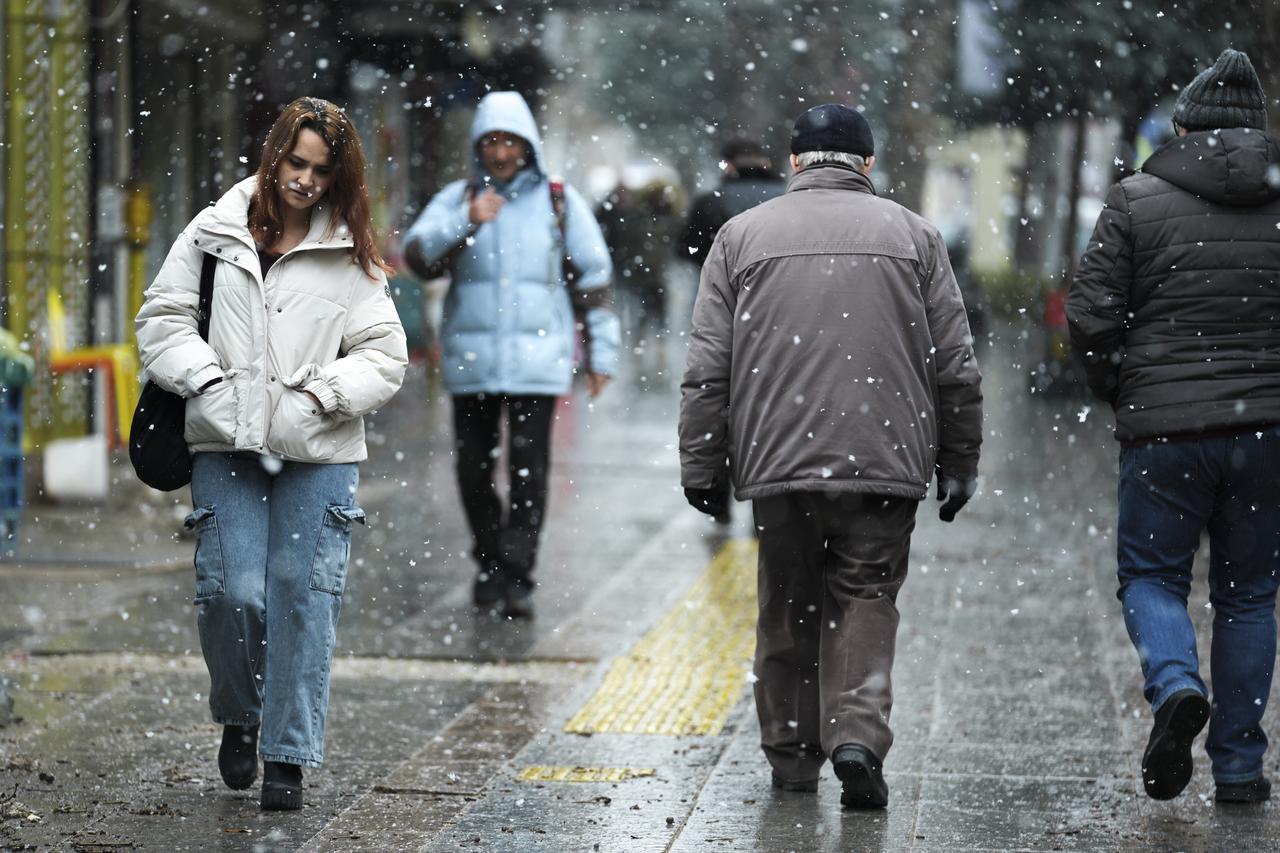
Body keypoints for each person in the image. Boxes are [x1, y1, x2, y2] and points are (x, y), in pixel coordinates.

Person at [678, 104, 982, 809]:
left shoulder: (740, 236)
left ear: (795, 161)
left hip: (779, 459)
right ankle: (856, 734)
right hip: (885, 454)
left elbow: (708, 367)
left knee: (787, 602)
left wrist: (702, 463)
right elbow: (956, 364)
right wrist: (960, 456)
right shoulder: (916, 235)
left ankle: (792, 757)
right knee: (867, 594)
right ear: (867, 164)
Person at [135, 97, 408, 811]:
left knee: (301, 594)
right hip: (225, 446)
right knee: (233, 592)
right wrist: (206, 379)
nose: (305, 181)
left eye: (321, 171)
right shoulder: (215, 229)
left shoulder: (349, 252)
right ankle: (241, 712)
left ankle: (287, 755)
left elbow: (384, 356)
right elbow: (162, 318)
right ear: (274, 154)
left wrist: (323, 394)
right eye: (296, 162)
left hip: (318, 453)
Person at [1067, 48, 1280, 805]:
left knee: (1153, 576)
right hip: (1267, 431)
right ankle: (1239, 768)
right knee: (1249, 595)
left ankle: (1176, 682)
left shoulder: (1136, 199)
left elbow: (1090, 314)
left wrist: (1124, 388)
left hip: (1165, 433)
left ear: (1183, 127)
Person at [403, 91, 619, 619]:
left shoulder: (558, 202)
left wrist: (602, 355)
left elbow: (594, 281)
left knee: (529, 471)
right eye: (491, 142)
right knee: (472, 471)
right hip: (471, 362)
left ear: (528, 146)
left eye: (511, 142)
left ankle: (518, 574)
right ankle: (488, 562)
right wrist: (467, 219)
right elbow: (417, 257)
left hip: (538, 363)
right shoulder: (459, 198)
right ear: (478, 146)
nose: (501, 153)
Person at [677, 138, 786, 270]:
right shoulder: (789, 195)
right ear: (766, 163)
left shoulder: (711, 201)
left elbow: (690, 250)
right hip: (784, 276)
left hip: (728, 278)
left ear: (728, 165)